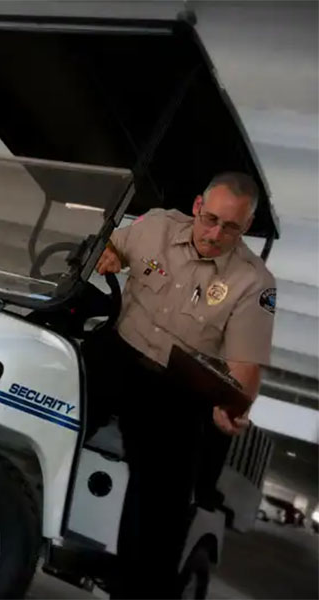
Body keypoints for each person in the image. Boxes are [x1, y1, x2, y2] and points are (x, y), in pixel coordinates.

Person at [89, 171, 276, 598]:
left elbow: (245, 363)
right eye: (210, 219)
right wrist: (109, 253)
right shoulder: (155, 225)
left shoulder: (255, 283)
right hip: (117, 355)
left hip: (176, 390)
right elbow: (110, 243)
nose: (214, 234)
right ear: (196, 206)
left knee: (160, 511)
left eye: (230, 227)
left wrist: (232, 403)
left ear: (246, 227)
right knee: (47, 398)